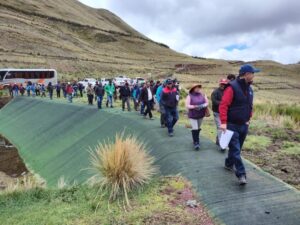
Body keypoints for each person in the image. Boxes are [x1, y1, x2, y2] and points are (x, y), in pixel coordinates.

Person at [219, 64, 260, 185]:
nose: (254, 76)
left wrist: (249, 118)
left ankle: (228, 163)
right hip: (231, 125)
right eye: (252, 73)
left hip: (244, 125)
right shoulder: (231, 87)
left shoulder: (250, 89)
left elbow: (249, 106)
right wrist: (224, 123)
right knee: (236, 150)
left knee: (237, 149)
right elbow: (223, 105)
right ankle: (241, 174)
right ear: (246, 74)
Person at [185, 84, 208, 150]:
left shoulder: (203, 94)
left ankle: (196, 138)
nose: (198, 89)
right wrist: (195, 106)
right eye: (196, 88)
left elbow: (207, 103)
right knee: (195, 128)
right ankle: (196, 142)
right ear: (193, 89)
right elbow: (187, 105)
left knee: (198, 128)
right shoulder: (189, 96)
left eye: (199, 88)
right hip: (193, 114)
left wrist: (202, 106)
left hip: (201, 114)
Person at [211, 78, 229, 151]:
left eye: (224, 84)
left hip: (225, 112)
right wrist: (223, 104)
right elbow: (214, 101)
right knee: (220, 127)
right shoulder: (215, 92)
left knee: (225, 128)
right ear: (219, 84)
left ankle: (221, 142)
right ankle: (222, 145)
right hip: (217, 112)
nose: (223, 85)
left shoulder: (228, 92)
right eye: (222, 83)